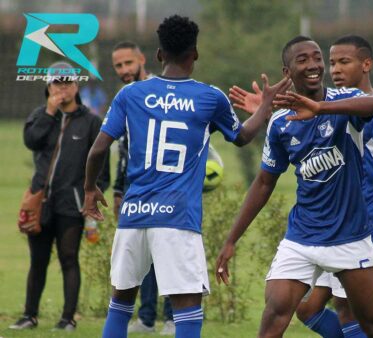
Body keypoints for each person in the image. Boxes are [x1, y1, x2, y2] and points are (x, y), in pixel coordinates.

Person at [83, 15, 291, 338]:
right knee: (187, 308)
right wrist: (265, 107)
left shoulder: (130, 95)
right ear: (195, 54)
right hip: (178, 218)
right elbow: (242, 137)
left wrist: (89, 188)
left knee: (121, 303)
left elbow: (97, 150)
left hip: (134, 215)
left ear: (158, 56)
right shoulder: (210, 98)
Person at [216, 36, 373, 338]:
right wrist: (231, 240)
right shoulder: (280, 123)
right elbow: (264, 183)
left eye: (317, 58)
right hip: (302, 238)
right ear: (287, 71)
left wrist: (320, 108)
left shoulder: (345, 102)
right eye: (303, 60)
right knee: (274, 317)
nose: (314, 65)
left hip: (350, 236)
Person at [10, 62, 110, 331]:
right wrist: (50, 111)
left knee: (69, 258)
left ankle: (67, 319)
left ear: (76, 86)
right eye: (57, 83)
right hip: (41, 202)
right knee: (38, 261)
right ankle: (29, 315)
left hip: (72, 204)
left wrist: (89, 198)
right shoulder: (40, 116)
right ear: (48, 86)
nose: (62, 88)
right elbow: (32, 140)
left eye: (67, 83)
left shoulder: (91, 122)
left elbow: (103, 169)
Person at [111, 40, 175, 335]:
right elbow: (123, 149)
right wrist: (117, 191)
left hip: (166, 189)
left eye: (128, 63)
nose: (124, 70)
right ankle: (148, 319)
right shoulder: (124, 97)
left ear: (141, 60)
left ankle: (172, 318)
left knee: (170, 255)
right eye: (118, 66)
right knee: (141, 259)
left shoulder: (160, 92)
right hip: (134, 192)